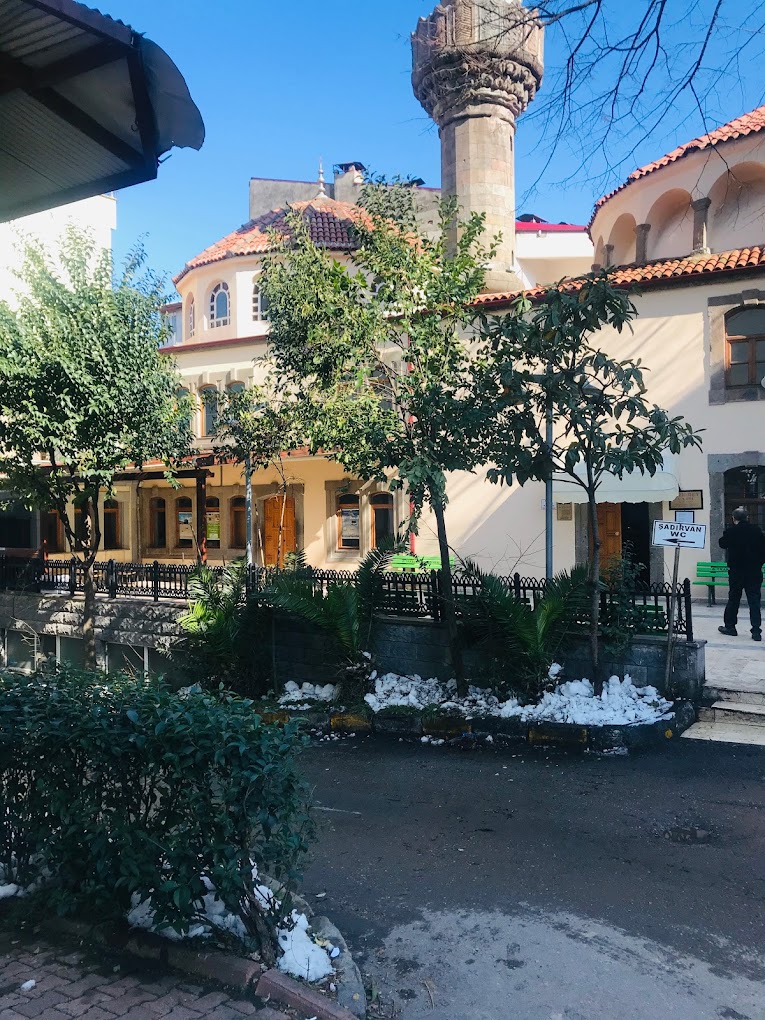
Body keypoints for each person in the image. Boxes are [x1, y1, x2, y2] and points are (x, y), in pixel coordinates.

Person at [718, 506, 765, 641]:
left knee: (733, 599)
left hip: (736, 572)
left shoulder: (731, 531)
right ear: (747, 518)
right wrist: (759, 563)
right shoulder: (756, 531)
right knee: (754, 601)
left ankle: (730, 627)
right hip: (754, 571)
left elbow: (722, 543)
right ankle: (756, 631)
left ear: (734, 518)